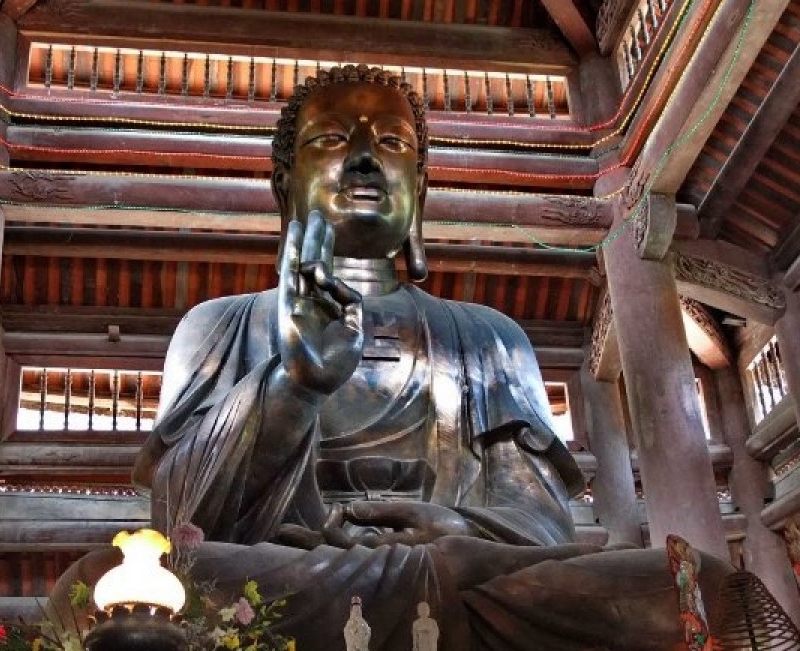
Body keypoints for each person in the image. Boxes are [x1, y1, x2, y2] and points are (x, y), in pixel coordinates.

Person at [136, 64, 581, 551]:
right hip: (282, 570)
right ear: (285, 186)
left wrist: (460, 532)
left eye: (392, 142)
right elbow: (177, 518)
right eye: (331, 138)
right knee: (126, 573)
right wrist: (293, 388)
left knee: (622, 578)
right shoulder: (220, 326)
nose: (366, 159)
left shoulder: (488, 338)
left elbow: (546, 530)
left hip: (446, 569)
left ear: (419, 189)